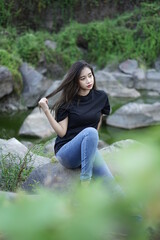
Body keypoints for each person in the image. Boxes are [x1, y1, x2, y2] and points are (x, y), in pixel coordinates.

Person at [38, 60, 115, 188]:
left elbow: (98, 121)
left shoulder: (101, 97)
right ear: (76, 81)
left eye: (90, 76)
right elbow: (62, 132)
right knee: (91, 131)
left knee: (112, 185)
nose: (89, 81)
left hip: (87, 148)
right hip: (67, 152)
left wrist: (89, 146)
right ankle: (85, 181)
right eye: (83, 78)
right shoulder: (66, 103)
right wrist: (46, 111)